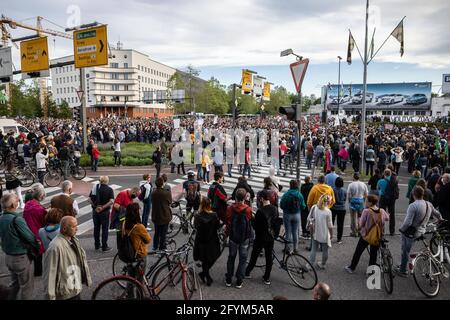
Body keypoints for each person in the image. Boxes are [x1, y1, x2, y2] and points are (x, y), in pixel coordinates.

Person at [395, 186, 443, 277]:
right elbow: (437, 214)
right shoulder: (428, 204)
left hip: (412, 232)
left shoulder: (413, 206)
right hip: (422, 230)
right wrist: (440, 219)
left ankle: (403, 270)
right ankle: (404, 264)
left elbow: (408, 222)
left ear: (413, 194)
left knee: (405, 251)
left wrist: (401, 229)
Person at [0, 193, 40, 300]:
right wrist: (37, 244)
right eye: (17, 200)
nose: (18, 202)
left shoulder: (1, 218)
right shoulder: (16, 219)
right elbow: (30, 237)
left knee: (15, 284)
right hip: (21, 257)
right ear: (13, 205)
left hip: (8, 256)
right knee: (26, 287)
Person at [43, 216, 91, 300]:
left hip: (75, 287)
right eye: (73, 226)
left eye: (77, 225)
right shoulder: (55, 247)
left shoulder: (74, 239)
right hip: (65, 292)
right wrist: (50, 297)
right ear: (64, 229)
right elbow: (50, 274)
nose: (76, 229)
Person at [345, 194, 389, 274]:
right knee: (373, 254)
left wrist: (359, 220)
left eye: (366, 201)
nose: (365, 202)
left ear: (370, 203)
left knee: (358, 252)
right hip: (377, 235)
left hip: (366, 235)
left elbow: (361, 224)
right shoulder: (382, 211)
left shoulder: (366, 211)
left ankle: (352, 268)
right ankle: (370, 271)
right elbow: (387, 218)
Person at [245, 189, 279, 285]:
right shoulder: (274, 209)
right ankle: (266, 277)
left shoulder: (260, 211)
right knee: (269, 257)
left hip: (260, 237)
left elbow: (256, 227)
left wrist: (252, 219)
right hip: (270, 237)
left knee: (254, 256)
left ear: (262, 199)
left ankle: (247, 272)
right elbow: (275, 223)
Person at [224, 188, 253, 289]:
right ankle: (239, 281)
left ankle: (228, 278)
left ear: (235, 197)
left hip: (233, 236)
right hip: (244, 237)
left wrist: (226, 235)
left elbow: (227, 222)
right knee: (243, 259)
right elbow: (249, 221)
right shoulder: (248, 209)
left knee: (231, 257)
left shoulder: (230, 208)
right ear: (245, 197)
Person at [193, 196, 221, 286]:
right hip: (212, 239)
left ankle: (204, 274)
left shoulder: (197, 216)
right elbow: (217, 227)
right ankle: (207, 276)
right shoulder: (214, 215)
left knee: (205, 259)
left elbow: (195, 227)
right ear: (209, 205)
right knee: (213, 257)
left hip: (201, 240)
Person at [121, 203, 151, 282]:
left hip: (129, 253)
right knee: (139, 280)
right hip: (139, 255)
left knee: (131, 278)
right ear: (136, 213)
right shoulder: (139, 227)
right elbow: (148, 240)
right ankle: (139, 294)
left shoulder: (125, 223)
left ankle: (130, 294)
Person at [23, 183, 47, 276]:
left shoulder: (28, 204)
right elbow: (45, 222)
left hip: (28, 233)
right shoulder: (40, 210)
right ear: (41, 195)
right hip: (37, 235)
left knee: (30, 255)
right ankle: (38, 272)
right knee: (38, 257)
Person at [280, 180, 306, 254]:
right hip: (297, 215)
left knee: (288, 232)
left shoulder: (286, 194)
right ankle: (295, 248)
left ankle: (288, 248)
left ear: (290, 185)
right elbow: (303, 206)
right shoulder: (299, 195)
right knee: (295, 232)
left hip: (287, 215)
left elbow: (281, 205)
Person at [89, 176, 115, 251]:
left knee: (96, 228)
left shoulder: (95, 188)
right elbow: (111, 201)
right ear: (107, 181)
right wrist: (103, 207)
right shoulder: (109, 189)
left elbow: (89, 199)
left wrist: (95, 206)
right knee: (104, 229)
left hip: (95, 211)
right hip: (105, 212)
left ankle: (97, 245)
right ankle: (104, 246)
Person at [308, 194, 333, 270]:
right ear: (328, 202)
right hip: (325, 234)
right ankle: (323, 264)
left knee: (313, 249)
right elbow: (330, 225)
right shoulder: (328, 211)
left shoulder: (314, 207)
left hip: (315, 232)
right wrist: (331, 234)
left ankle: (310, 265)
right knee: (325, 250)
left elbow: (310, 218)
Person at [151, 177, 172, 251]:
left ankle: (155, 246)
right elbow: (170, 202)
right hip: (165, 215)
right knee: (163, 233)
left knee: (156, 232)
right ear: (162, 184)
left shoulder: (153, 192)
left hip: (156, 215)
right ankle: (162, 248)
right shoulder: (166, 193)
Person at [377, 168, 399, 236]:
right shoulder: (394, 180)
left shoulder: (380, 181)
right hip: (392, 198)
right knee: (392, 214)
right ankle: (392, 231)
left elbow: (378, 189)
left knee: (381, 214)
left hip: (383, 198)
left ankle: (381, 230)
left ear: (384, 174)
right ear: (390, 174)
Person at [347, 173, 368, 237]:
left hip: (353, 200)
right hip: (361, 200)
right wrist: (364, 201)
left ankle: (354, 231)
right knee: (360, 217)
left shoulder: (351, 185)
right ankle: (360, 230)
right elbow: (366, 194)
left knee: (353, 217)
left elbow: (349, 194)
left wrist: (349, 201)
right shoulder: (363, 184)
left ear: (353, 177)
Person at [331, 177, 346, 244]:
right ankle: (339, 238)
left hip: (334, 208)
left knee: (331, 223)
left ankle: (330, 236)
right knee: (340, 224)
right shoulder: (344, 190)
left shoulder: (333, 190)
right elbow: (345, 199)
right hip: (342, 208)